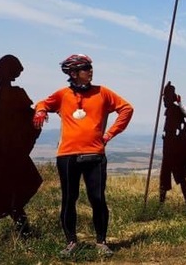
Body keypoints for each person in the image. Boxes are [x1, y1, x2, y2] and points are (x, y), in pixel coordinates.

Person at [33, 54, 133, 258]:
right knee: (69, 199)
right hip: (67, 155)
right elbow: (43, 103)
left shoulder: (102, 92)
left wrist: (109, 134)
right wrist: (41, 111)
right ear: (73, 73)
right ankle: (71, 242)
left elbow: (126, 109)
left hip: (95, 153)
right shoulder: (62, 95)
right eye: (86, 68)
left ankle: (101, 242)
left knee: (97, 198)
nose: (90, 71)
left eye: (90, 67)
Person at [0, 55, 42, 239]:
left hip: (5, 156)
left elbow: (34, 122)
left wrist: (16, 147)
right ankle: (20, 233)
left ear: (7, 72)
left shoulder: (15, 95)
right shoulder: (3, 95)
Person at [159, 82, 186, 206]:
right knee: (164, 176)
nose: (163, 100)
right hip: (167, 146)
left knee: (180, 175)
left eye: (165, 98)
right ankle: (161, 203)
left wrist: (181, 134)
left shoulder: (175, 109)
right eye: (163, 98)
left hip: (174, 147)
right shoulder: (169, 110)